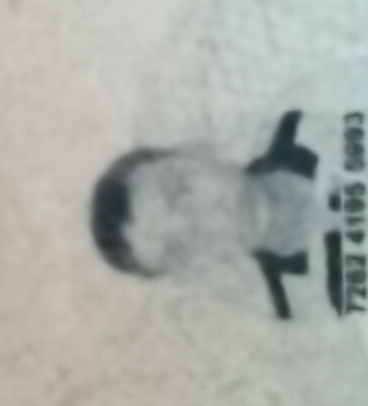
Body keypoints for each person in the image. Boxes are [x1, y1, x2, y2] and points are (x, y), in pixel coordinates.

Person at [88, 108, 326, 316]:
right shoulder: (307, 310)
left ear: (197, 150)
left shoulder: (314, 122)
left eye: (182, 191)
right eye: (180, 247)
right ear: (194, 275)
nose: (213, 221)